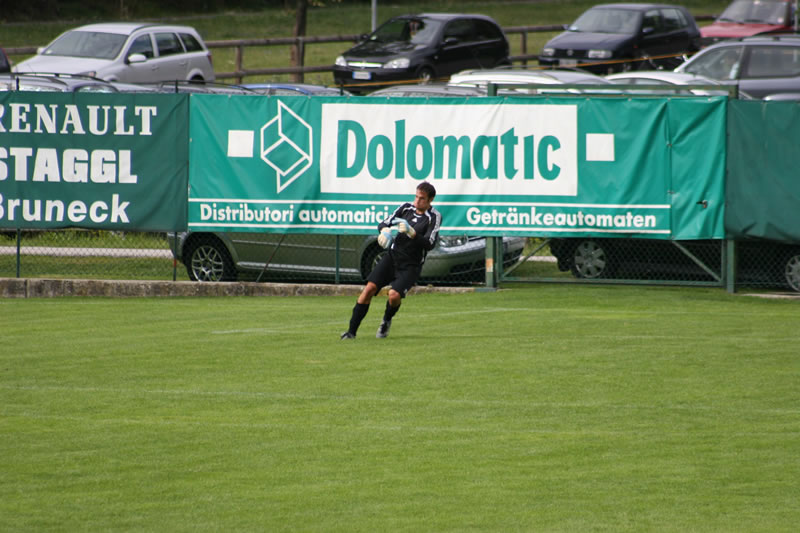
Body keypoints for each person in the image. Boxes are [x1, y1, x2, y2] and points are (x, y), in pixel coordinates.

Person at [341, 181, 441, 340]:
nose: (417, 201)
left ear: (430, 200)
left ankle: (386, 320)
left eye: (422, 198)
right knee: (368, 289)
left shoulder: (434, 217)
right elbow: (384, 223)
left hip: (411, 265)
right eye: (416, 197)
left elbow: (429, 244)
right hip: (392, 257)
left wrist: (412, 233)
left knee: (393, 295)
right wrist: (385, 231)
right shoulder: (406, 208)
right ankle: (351, 332)